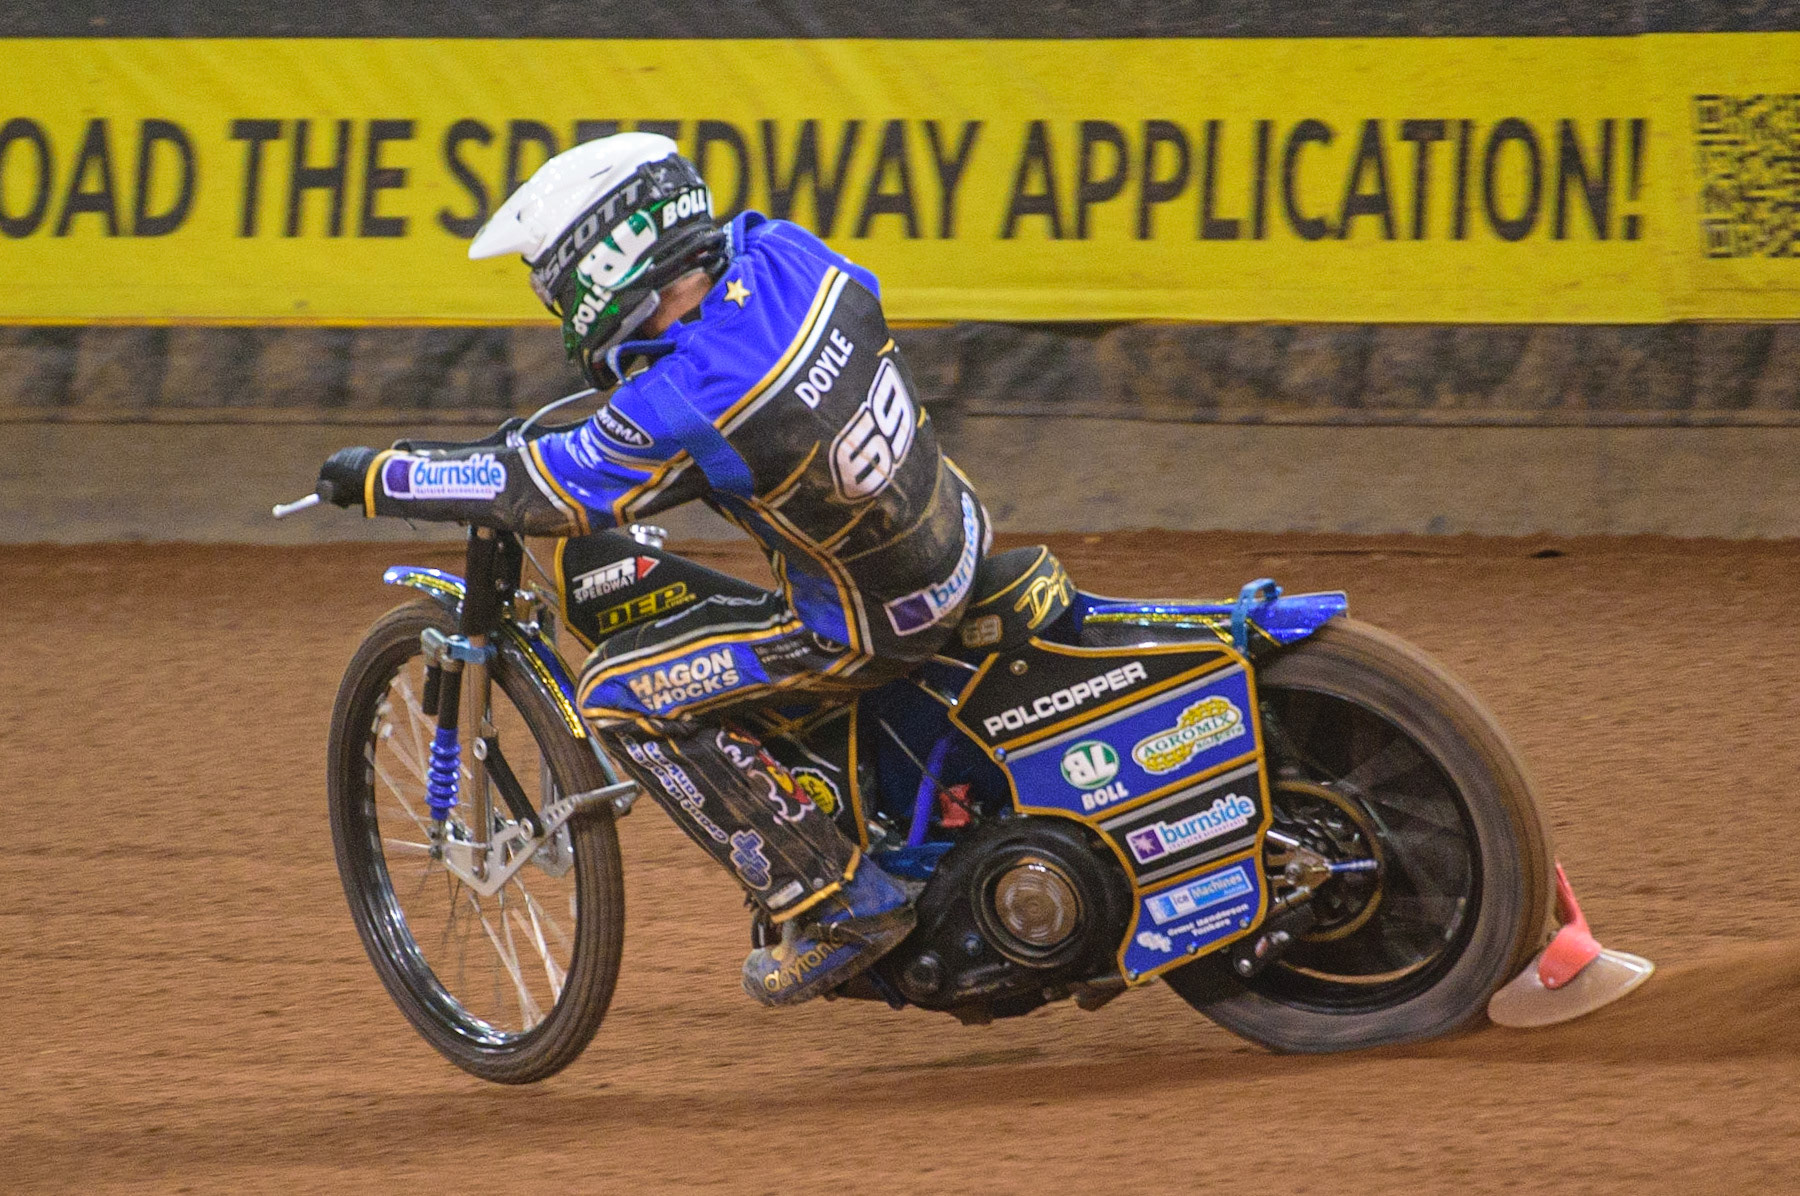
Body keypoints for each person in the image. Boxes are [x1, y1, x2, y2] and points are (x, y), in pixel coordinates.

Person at [317, 132, 990, 1006]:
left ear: (604, 264)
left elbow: (553, 489)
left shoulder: (684, 401)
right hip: (953, 530)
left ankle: (840, 902)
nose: (555, 306)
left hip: (867, 624)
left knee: (620, 695)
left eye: (553, 284)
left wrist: (382, 475)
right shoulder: (790, 252)